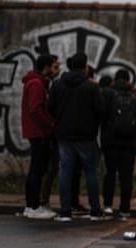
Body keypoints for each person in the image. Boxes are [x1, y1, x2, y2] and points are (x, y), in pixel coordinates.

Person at [47, 52, 110, 222]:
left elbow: (50, 108)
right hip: (86, 135)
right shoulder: (91, 87)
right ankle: (95, 210)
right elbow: (101, 111)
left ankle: (65, 211)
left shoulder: (58, 85)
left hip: (64, 135)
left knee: (65, 172)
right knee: (91, 172)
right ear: (85, 67)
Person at [100, 69, 136, 217]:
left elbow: (102, 114)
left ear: (115, 79)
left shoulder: (107, 93)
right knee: (126, 176)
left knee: (110, 173)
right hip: (129, 143)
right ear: (128, 79)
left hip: (110, 142)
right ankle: (124, 208)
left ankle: (107, 205)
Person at [21, 53, 58, 219]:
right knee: (37, 169)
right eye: (54, 66)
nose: (55, 69)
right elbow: (35, 110)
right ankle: (33, 206)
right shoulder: (37, 84)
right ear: (46, 67)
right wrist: (50, 125)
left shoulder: (36, 82)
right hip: (39, 132)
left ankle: (31, 205)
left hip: (36, 131)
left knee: (36, 169)